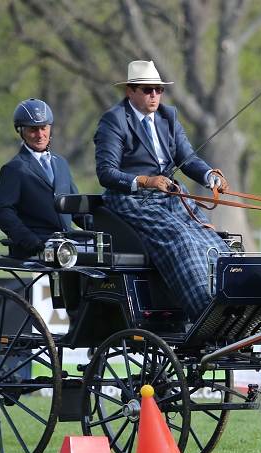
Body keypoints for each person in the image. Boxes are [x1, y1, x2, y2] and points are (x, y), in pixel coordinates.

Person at [94, 60, 230, 321]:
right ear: (130, 92)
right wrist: (145, 180)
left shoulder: (169, 117)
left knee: (211, 238)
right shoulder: (113, 121)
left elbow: (187, 159)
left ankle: (229, 303)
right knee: (181, 237)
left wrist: (208, 175)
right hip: (129, 199)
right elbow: (106, 173)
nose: (154, 95)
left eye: (158, 89)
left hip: (168, 195)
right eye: (147, 90)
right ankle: (204, 313)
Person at [0, 98, 86, 258]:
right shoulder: (14, 168)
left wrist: (106, 230)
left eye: (44, 128)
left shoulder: (61, 163)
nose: (40, 135)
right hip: (39, 243)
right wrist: (27, 239)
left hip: (67, 242)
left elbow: (76, 208)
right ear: (20, 131)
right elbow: (3, 211)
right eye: (32, 130)